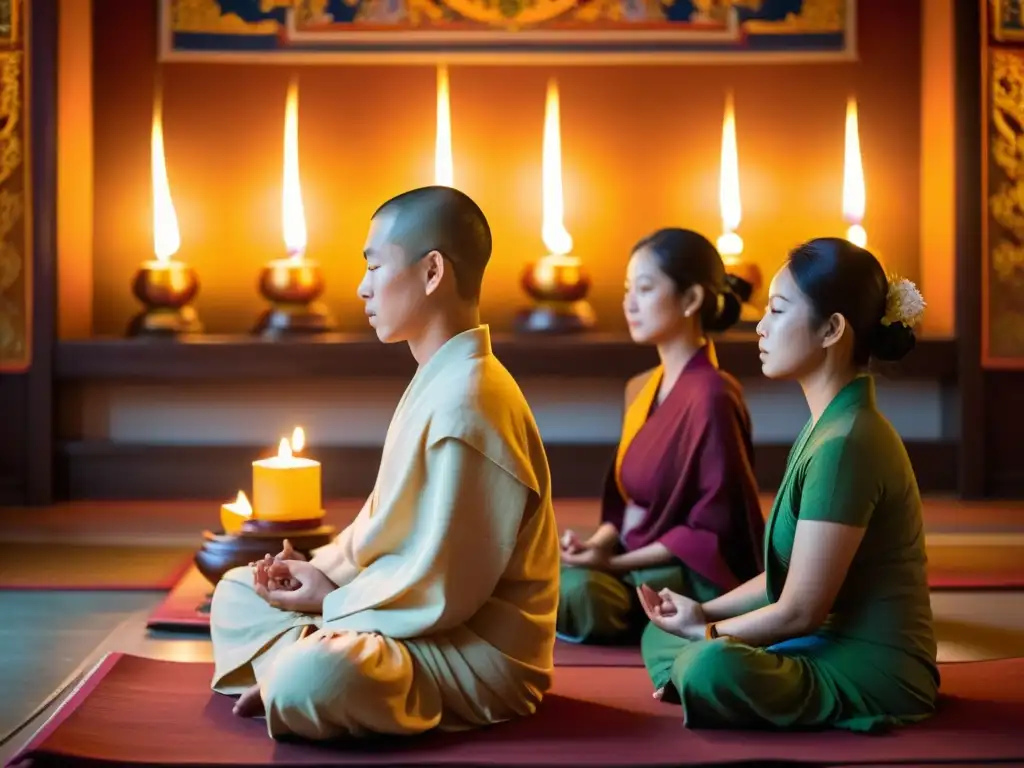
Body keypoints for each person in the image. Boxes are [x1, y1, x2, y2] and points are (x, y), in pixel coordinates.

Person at [208, 186, 560, 741]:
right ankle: (311, 658)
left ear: (432, 271)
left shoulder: (473, 399)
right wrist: (320, 571)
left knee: (316, 676)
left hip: (474, 651)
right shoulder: (438, 378)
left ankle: (304, 667)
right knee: (235, 593)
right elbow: (381, 529)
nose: (362, 287)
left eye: (374, 265)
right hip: (401, 620)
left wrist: (332, 600)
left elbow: (446, 585)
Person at [638, 237, 938, 732]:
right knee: (663, 637)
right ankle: (697, 666)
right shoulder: (830, 425)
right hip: (815, 641)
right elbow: (788, 581)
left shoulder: (848, 442)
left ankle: (698, 673)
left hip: (872, 666)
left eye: (777, 311)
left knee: (710, 663)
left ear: (831, 329)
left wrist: (709, 633)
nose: (760, 326)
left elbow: (800, 609)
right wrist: (702, 611)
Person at [557, 228, 765, 646]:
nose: (630, 302)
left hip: (688, 572)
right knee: (549, 577)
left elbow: (712, 529)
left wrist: (614, 564)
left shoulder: (712, 394)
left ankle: (665, 617)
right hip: (634, 560)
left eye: (646, 288)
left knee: (577, 592)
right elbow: (629, 505)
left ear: (690, 300)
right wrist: (595, 546)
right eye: (628, 289)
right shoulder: (640, 388)